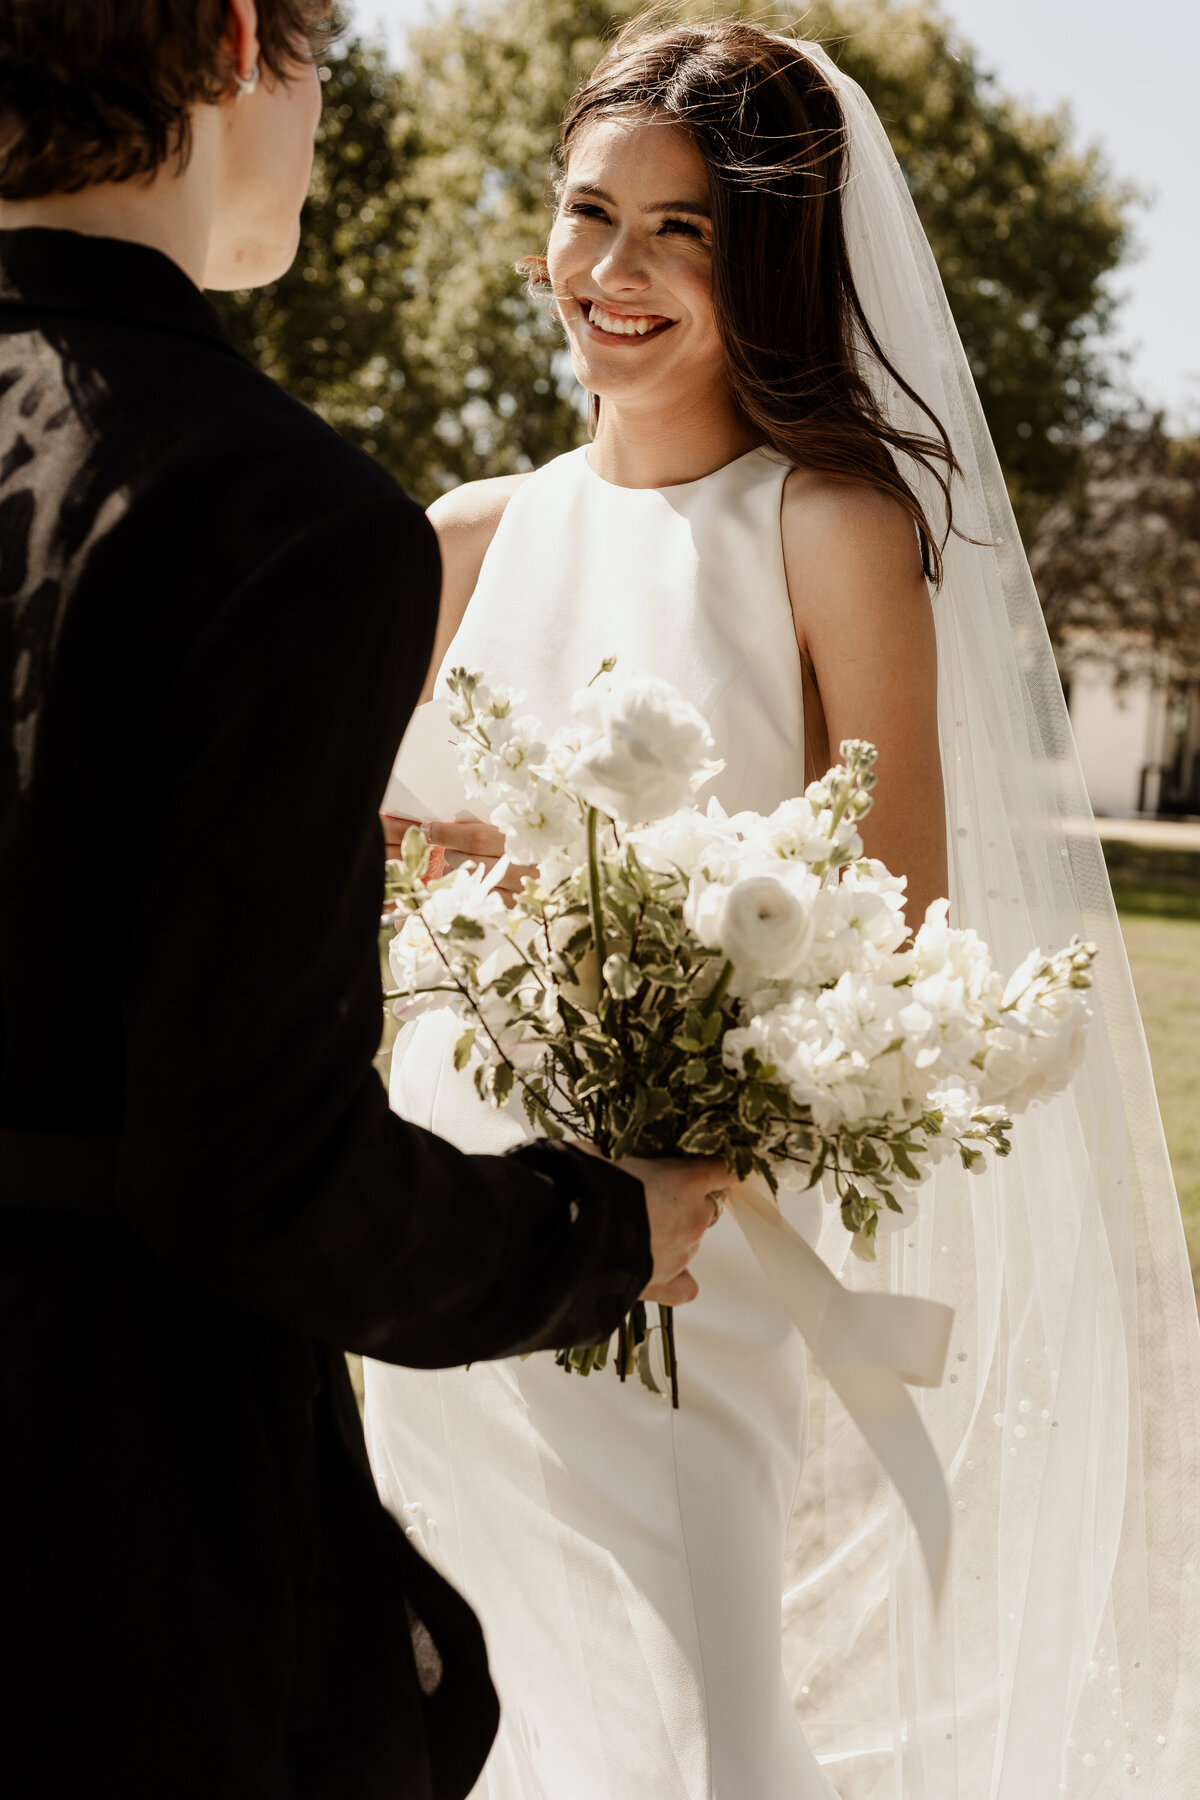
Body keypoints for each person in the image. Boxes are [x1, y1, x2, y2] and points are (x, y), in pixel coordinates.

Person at [367, 17, 1200, 1800]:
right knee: (460, 1701)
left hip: (684, 1237)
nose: (620, 270)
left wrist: (547, 905)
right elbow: (355, 883)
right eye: (594, 215)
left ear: (775, 260)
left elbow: (891, 911)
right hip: (435, 1217)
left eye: (687, 232)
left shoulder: (825, 521)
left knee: (694, 1719)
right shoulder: (463, 539)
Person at [0, 5, 723, 1797]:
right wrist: (598, 1232)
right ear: (243, 42)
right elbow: (248, 1170)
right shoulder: (280, 514)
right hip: (97, 1524)